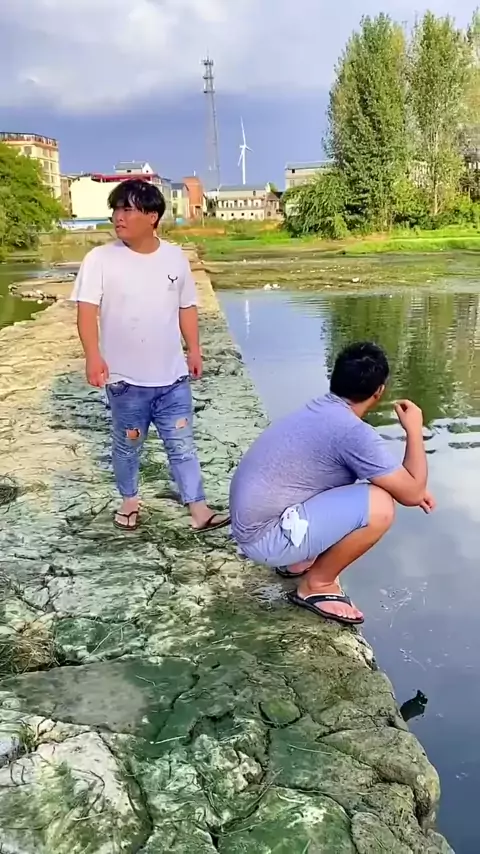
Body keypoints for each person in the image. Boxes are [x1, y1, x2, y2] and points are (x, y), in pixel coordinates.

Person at [229, 342, 435, 626]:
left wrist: (409, 486)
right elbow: (411, 493)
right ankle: (317, 584)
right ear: (379, 391)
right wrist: (414, 429)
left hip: (253, 525)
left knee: (361, 487)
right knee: (380, 506)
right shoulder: (352, 432)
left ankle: (298, 561)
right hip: (264, 539)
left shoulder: (320, 409)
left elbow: (407, 486)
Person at [70, 178, 229, 533]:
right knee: (127, 446)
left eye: (128, 209)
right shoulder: (99, 259)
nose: (118, 217)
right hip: (126, 381)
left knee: (182, 446)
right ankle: (129, 501)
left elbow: (187, 307)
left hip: (173, 379)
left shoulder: (174, 257)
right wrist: (92, 356)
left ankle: (199, 510)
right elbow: (86, 311)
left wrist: (194, 349)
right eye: (116, 209)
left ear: (152, 216)